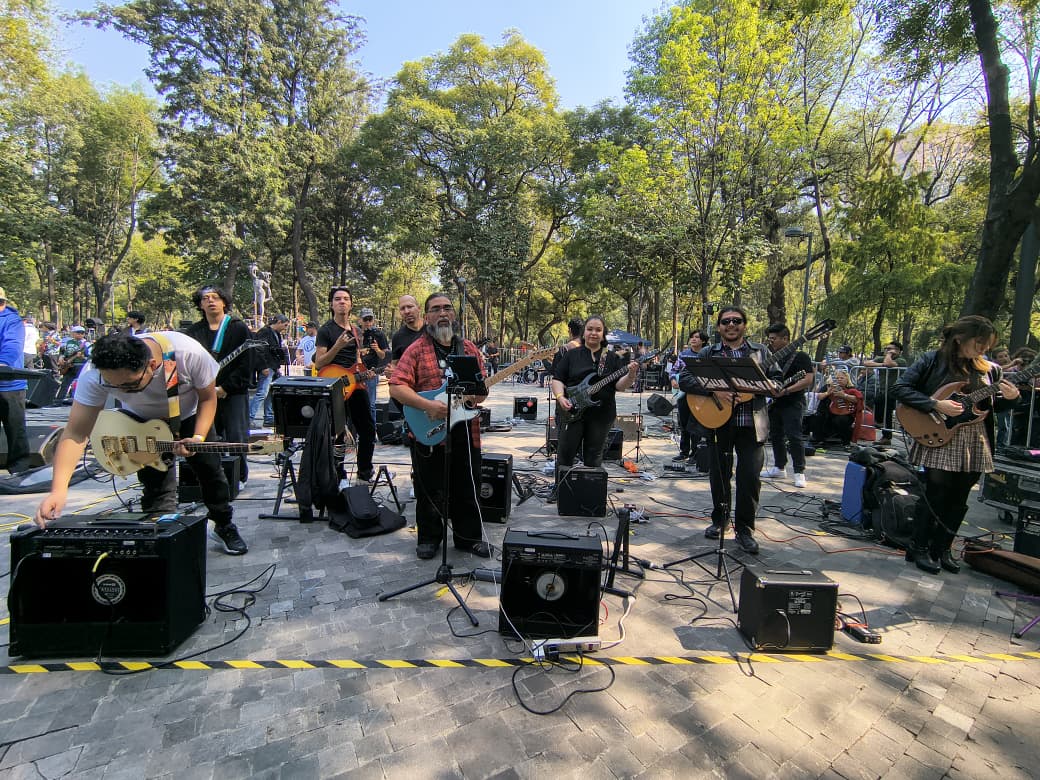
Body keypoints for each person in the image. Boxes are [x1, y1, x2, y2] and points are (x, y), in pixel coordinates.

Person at [32, 331, 248, 554]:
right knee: (156, 486)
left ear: (151, 365)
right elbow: (76, 433)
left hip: (189, 416)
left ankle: (223, 524)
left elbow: (208, 398)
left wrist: (198, 437)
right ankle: (161, 541)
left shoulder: (188, 353)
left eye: (130, 385)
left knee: (210, 471)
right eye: (113, 387)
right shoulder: (93, 375)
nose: (122, 391)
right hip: (141, 422)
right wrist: (58, 491)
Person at [892, 316, 1019, 574]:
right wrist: (935, 404)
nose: (984, 349)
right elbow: (900, 388)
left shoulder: (990, 369)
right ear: (961, 338)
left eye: (988, 344)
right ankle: (919, 546)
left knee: (960, 496)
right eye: (979, 343)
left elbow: (992, 406)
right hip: (940, 431)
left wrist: (1012, 398)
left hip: (975, 437)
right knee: (937, 493)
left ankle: (942, 547)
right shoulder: (932, 359)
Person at [388, 292, 491, 559]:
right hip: (429, 430)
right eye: (436, 309)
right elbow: (396, 387)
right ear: (427, 317)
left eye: (447, 308)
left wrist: (477, 394)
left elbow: (481, 392)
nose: (442, 313)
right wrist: (428, 406)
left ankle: (469, 538)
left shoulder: (469, 349)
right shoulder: (416, 349)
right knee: (429, 488)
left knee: (468, 485)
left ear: (454, 315)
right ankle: (429, 539)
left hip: (465, 429)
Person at [678, 306, 770, 554]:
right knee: (719, 476)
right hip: (718, 424)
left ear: (744, 325)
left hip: (751, 426)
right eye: (726, 321)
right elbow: (685, 379)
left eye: (736, 321)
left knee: (749, 478)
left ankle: (745, 530)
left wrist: (763, 387)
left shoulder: (760, 352)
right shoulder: (709, 352)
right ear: (718, 327)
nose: (731, 325)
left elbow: (778, 381)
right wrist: (714, 390)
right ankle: (720, 521)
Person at [551, 315, 639, 474]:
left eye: (598, 330)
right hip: (572, 411)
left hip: (601, 415)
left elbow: (619, 386)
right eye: (590, 329)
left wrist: (631, 375)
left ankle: (590, 487)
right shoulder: (572, 355)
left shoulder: (611, 357)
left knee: (594, 458)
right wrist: (560, 397)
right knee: (565, 455)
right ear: (584, 332)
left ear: (603, 334)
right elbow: (557, 379)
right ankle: (561, 486)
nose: (593, 333)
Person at [185, 285, 254, 483]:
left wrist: (225, 388)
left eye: (215, 297)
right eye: (205, 298)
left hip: (233, 393)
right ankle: (213, 477)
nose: (211, 301)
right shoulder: (194, 331)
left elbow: (247, 363)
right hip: (204, 394)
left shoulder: (238, 328)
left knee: (236, 436)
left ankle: (239, 477)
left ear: (224, 302)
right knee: (208, 435)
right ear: (200, 305)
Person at [314, 287, 377, 483]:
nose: (342, 302)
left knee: (368, 430)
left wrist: (364, 373)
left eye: (346, 299)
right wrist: (337, 347)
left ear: (351, 304)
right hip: (334, 386)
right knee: (337, 434)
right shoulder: (325, 330)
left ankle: (364, 473)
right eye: (337, 299)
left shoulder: (356, 331)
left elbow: (357, 359)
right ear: (331, 304)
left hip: (355, 385)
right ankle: (338, 475)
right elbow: (319, 363)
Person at [761, 324, 815, 487]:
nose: (771, 342)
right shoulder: (771, 357)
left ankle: (799, 471)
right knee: (776, 435)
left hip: (793, 401)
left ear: (785, 338)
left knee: (794, 435)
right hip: (774, 402)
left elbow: (807, 379)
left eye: (774, 339)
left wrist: (786, 390)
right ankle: (779, 467)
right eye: (769, 339)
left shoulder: (801, 356)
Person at [0, 288, 31, 473]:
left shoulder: (12, 321)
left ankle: (19, 469)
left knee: (15, 428)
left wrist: (3, 363)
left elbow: (12, 345)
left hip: (10, 385)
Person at [670, 330, 710, 466]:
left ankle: (695, 454)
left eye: (697, 337)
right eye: (692, 337)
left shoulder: (707, 354)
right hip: (683, 393)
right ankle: (684, 452)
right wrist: (672, 380)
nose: (693, 339)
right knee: (684, 423)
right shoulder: (684, 354)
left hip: (699, 395)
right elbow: (674, 370)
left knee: (696, 425)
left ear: (703, 341)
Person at [863, 341, 907, 445]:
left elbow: (889, 364)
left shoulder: (901, 360)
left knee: (886, 410)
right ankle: (880, 425)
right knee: (877, 403)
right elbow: (866, 363)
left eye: (890, 349)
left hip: (896, 391)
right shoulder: (882, 358)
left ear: (898, 351)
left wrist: (889, 355)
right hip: (883, 390)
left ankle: (886, 435)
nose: (887, 351)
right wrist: (882, 364)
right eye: (887, 349)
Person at [249, 313, 289, 425]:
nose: (285, 328)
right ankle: (249, 417)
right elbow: (259, 349)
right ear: (279, 322)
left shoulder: (275, 333)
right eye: (285, 325)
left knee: (271, 392)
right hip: (267, 366)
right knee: (262, 393)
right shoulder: (265, 332)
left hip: (273, 366)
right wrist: (263, 366)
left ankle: (269, 417)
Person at [809, 369, 862, 447]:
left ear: (847, 379)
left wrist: (844, 395)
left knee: (841, 420)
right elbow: (819, 396)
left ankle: (845, 442)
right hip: (828, 412)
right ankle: (819, 439)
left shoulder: (851, 388)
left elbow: (857, 399)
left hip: (845, 413)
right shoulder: (828, 387)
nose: (839, 380)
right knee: (818, 416)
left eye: (842, 378)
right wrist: (827, 393)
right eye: (837, 378)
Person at [358, 307, 389, 424]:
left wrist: (377, 349)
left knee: (370, 404)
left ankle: (372, 429)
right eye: (365, 319)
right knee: (357, 404)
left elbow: (383, 356)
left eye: (370, 319)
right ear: (360, 320)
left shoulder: (378, 334)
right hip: (356, 372)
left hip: (372, 372)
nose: (368, 322)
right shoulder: (355, 333)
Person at [56, 325, 90, 400]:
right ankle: (59, 400)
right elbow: (65, 352)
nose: (79, 334)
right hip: (68, 365)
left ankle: (74, 399)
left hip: (80, 365)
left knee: (78, 384)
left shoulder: (86, 344)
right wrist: (61, 357)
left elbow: (90, 358)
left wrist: (83, 357)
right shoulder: (69, 342)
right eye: (77, 332)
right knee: (65, 384)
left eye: (82, 333)